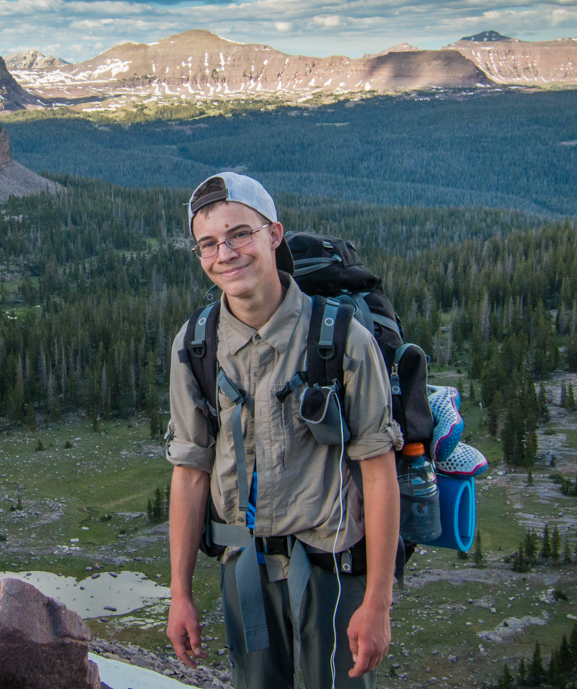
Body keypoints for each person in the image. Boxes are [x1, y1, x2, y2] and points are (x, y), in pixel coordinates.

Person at [164, 172, 402, 689]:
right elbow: (189, 471)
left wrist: (377, 603)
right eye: (208, 243)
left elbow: (379, 471)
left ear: (274, 234)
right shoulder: (195, 345)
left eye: (240, 234)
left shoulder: (343, 340)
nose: (225, 253)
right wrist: (179, 593)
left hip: (333, 569)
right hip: (244, 567)